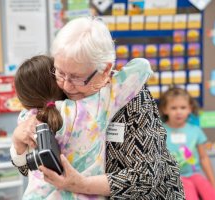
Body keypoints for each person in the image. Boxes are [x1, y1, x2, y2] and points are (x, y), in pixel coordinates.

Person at [11, 16, 185, 199]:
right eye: (60, 72)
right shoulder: (57, 91)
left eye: (78, 77)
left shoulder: (128, 94)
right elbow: (33, 170)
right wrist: (18, 143)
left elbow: (146, 177)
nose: (67, 86)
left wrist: (81, 185)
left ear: (105, 70)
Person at [13, 52, 152, 199]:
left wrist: (17, 140)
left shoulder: (25, 119)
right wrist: (103, 74)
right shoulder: (95, 105)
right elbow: (142, 67)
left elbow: (23, 164)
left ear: (24, 100)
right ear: (58, 82)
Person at [159, 87, 215, 200]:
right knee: (189, 190)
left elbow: (204, 158)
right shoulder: (160, 131)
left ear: (190, 109)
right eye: (173, 108)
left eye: (183, 107)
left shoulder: (195, 131)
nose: (179, 112)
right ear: (165, 109)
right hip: (173, 177)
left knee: (207, 189)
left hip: (194, 174)